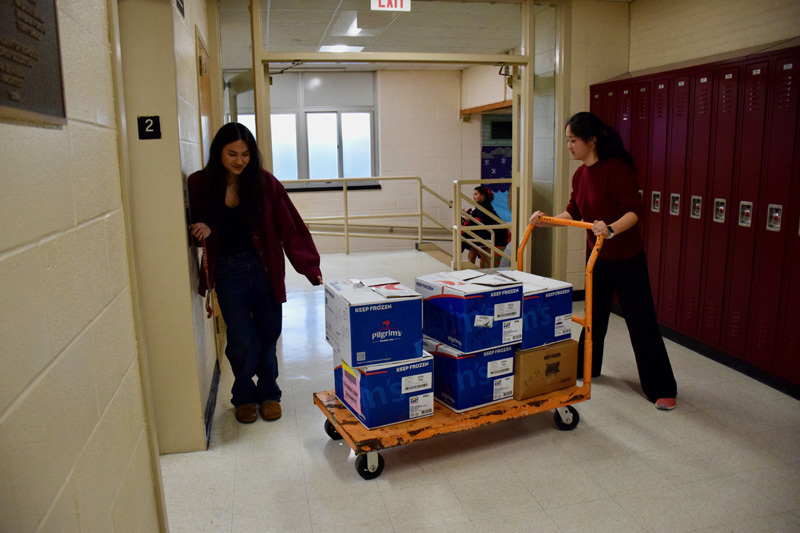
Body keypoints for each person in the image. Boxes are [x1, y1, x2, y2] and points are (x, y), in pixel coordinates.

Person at [529, 111, 677, 410]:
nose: (569, 146)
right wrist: (545, 220)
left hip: (627, 258)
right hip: (597, 258)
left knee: (641, 322)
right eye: (568, 140)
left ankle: (661, 387)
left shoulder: (616, 170)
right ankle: (588, 368)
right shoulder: (580, 174)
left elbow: (635, 212)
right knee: (593, 319)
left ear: (591, 141)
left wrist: (610, 229)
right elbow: (574, 212)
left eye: (573, 140)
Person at [188, 123, 323, 424]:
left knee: (268, 334)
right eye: (232, 154)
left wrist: (309, 267)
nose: (239, 161)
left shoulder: (264, 183)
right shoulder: (199, 183)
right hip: (227, 270)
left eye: (246, 154)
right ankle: (243, 395)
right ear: (218, 152)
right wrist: (204, 230)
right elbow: (192, 227)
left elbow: (291, 227)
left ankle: (269, 393)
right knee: (242, 339)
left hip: (264, 268)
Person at [461, 185, 510, 267]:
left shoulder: (486, 207)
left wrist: (468, 219)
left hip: (485, 236)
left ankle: (490, 273)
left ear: (482, 195)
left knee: (485, 257)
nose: (473, 196)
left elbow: (482, 221)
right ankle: (470, 273)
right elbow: (476, 218)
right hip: (479, 236)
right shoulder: (478, 206)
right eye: (473, 194)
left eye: (476, 194)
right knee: (471, 256)